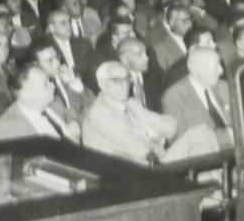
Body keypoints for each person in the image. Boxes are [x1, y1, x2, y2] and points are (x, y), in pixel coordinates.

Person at [82, 61, 220, 165]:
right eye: (117, 81)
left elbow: (172, 126)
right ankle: (215, 189)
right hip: (134, 173)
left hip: (155, 162)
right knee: (200, 137)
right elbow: (141, 151)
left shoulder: (132, 104)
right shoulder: (99, 113)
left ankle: (213, 188)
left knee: (202, 133)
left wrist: (145, 129)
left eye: (127, 79)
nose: (125, 85)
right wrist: (152, 135)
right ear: (102, 84)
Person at [161, 46, 233, 149]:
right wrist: (227, 136)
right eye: (215, 66)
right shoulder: (174, 97)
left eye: (220, 65)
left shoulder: (224, 86)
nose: (221, 70)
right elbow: (179, 141)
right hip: (207, 160)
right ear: (196, 70)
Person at [0, 64, 79, 142]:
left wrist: (74, 125)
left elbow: (71, 113)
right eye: (46, 83)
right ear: (26, 92)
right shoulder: (5, 130)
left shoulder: (53, 106)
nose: (53, 85)